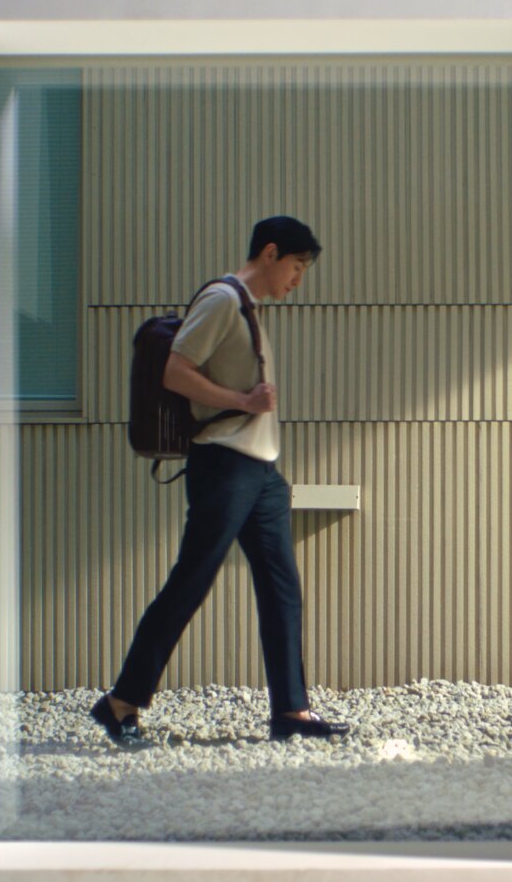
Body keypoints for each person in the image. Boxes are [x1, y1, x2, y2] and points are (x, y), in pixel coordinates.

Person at [91, 215, 352, 745]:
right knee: (191, 583)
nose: (298, 279)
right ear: (271, 253)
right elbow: (175, 370)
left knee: (282, 588)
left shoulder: (248, 306)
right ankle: (120, 702)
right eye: (298, 266)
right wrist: (242, 401)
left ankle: (292, 713)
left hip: (261, 471)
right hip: (225, 466)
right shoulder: (221, 300)